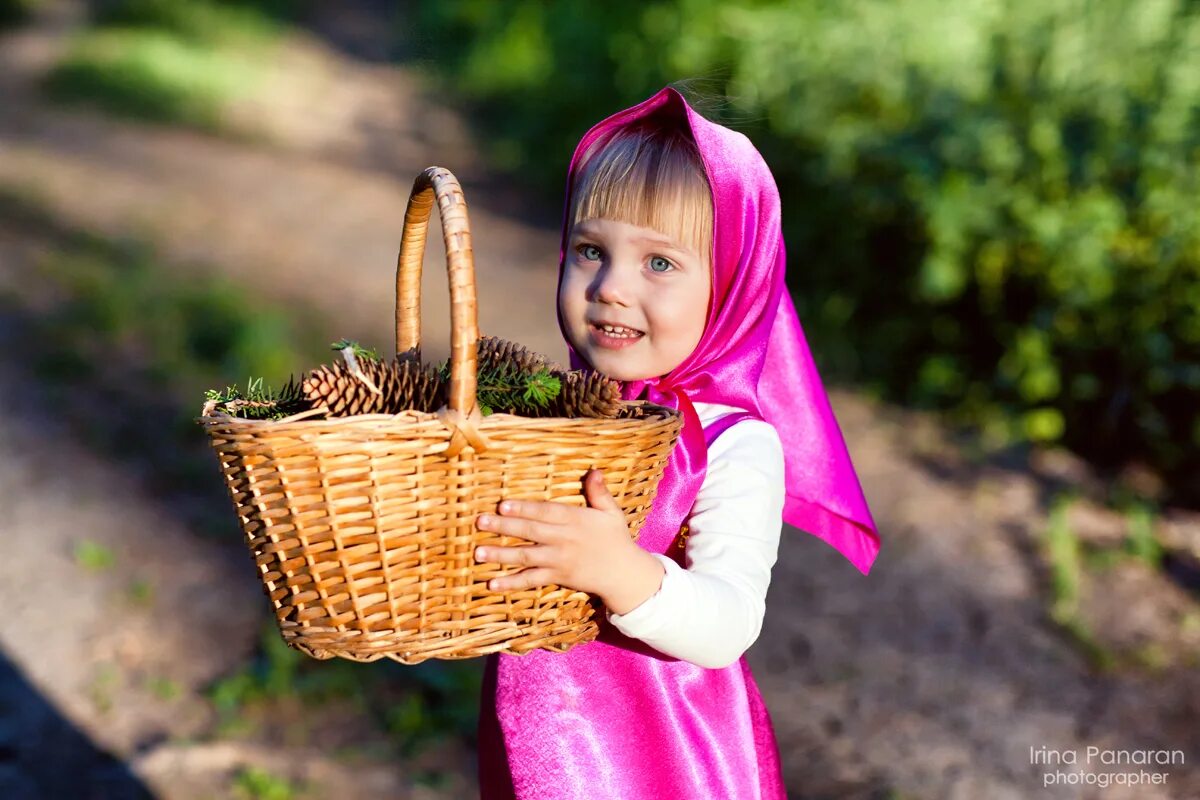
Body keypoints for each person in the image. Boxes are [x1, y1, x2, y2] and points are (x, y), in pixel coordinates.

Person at [473, 86, 881, 799]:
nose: (611, 288)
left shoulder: (735, 442)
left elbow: (728, 624)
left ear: (731, 287)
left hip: (662, 759)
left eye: (659, 264)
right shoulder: (561, 412)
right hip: (543, 739)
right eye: (590, 250)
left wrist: (617, 570)